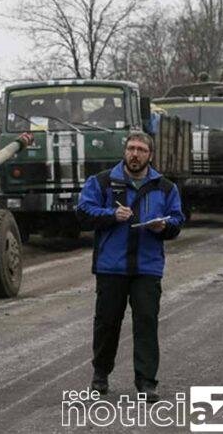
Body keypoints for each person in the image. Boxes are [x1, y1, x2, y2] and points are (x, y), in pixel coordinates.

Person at [76, 132, 185, 403]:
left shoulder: (165, 187)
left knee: (146, 322)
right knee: (107, 323)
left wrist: (164, 225)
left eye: (141, 150)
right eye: (131, 148)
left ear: (150, 155)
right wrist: (110, 214)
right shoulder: (102, 182)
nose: (135, 154)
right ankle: (100, 375)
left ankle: (146, 382)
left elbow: (177, 220)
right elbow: (83, 212)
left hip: (147, 267)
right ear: (125, 152)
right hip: (111, 266)